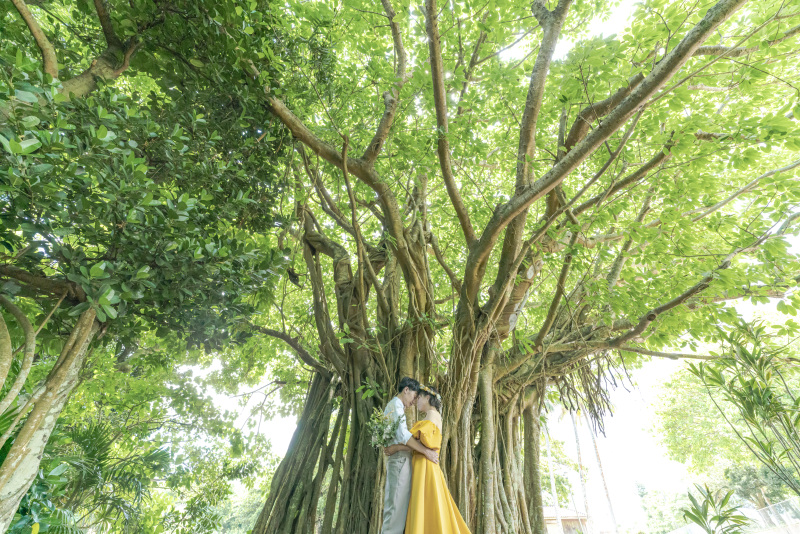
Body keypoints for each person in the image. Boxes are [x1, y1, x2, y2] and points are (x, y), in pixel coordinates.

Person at [384, 384, 471, 534]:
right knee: (425, 506)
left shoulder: (432, 415)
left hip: (425, 467)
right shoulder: (431, 416)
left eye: (419, 398)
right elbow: (420, 445)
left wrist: (397, 448)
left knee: (425, 507)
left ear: (428, 398)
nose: (416, 401)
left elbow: (424, 444)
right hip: (421, 465)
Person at [381, 377, 440, 534]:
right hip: (399, 463)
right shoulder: (395, 406)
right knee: (395, 511)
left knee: (399, 512)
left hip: (404, 462)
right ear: (406, 390)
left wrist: (396, 447)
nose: (414, 401)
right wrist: (426, 451)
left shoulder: (397, 407)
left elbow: (406, 439)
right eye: (415, 396)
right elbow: (403, 435)